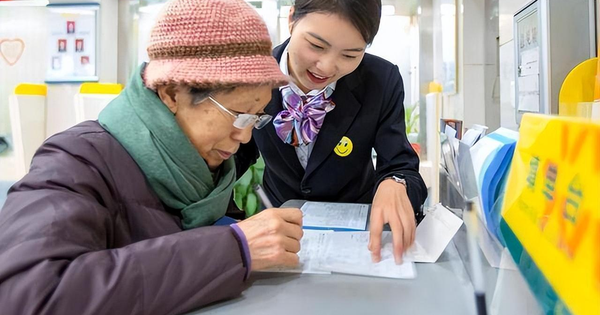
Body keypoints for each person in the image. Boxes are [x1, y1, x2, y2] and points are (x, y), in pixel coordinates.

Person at [0, 0, 303, 314]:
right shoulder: (74, 162)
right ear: (171, 94)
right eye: (238, 115)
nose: (245, 137)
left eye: (256, 117)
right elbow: (28, 296)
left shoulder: (202, 166)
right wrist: (232, 249)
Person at [247, 0, 427, 265]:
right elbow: (234, 155)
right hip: (278, 230)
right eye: (317, 46)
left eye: (350, 55)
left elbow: (401, 165)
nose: (327, 67)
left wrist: (395, 183)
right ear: (292, 18)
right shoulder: (254, 73)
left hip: (358, 235)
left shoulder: (381, 80)